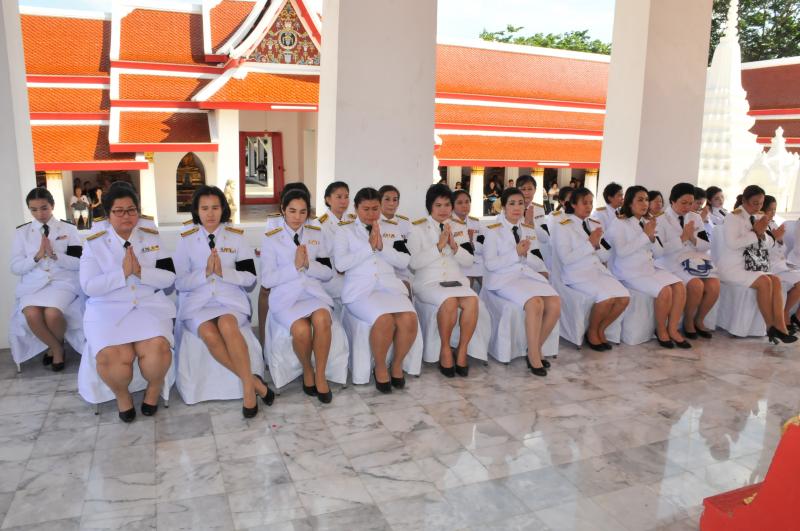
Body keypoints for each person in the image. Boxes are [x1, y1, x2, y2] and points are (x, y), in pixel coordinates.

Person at [174, 186, 273, 418]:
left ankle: (248, 392)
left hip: (230, 300)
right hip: (198, 304)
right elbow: (179, 282)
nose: (210, 213)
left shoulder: (236, 237)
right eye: (204, 208)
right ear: (196, 211)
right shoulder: (186, 240)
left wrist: (223, 273)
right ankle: (254, 384)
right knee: (209, 333)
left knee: (228, 325)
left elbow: (250, 278)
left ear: (223, 209)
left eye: (215, 207)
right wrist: (205, 273)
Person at [80, 185, 176, 422]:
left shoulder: (151, 236)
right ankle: (122, 396)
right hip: (108, 309)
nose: (126, 216)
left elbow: (169, 277)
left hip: (147, 305)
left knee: (157, 350)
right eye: (119, 211)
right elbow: (89, 286)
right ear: (108, 214)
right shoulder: (94, 243)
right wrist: (121, 274)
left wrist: (141, 272)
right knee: (111, 357)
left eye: (131, 210)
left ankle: (153, 389)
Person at [334, 187, 419, 392]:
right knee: (384, 319)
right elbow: (340, 265)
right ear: (356, 208)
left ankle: (396, 365)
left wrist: (382, 247)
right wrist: (368, 247)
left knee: (409, 318)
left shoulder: (391, 229)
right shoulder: (344, 231)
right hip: (360, 292)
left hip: (389, 287)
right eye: (366, 209)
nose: (371, 214)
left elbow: (404, 261)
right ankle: (380, 367)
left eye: (375, 208)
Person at [260, 189, 337, 402]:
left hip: (313, 293)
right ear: (283, 210)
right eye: (292, 211)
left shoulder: (316, 234)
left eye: (303, 212)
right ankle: (307, 370)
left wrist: (308, 265)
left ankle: (320, 375)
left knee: (323, 319)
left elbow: (328, 272)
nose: (297, 217)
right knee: (301, 330)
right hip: (285, 298)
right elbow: (267, 280)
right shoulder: (271, 239)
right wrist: (294, 267)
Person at [482, 188, 561, 376]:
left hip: (524, 275)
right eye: (512, 203)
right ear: (503, 206)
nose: (517, 208)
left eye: (520, 203)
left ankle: (535, 346)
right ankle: (534, 355)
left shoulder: (526, 228)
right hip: (503, 279)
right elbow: (491, 264)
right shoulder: (492, 230)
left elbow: (532, 257)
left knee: (555, 302)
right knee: (535, 302)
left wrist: (529, 259)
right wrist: (515, 253)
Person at [408, 184, 479, 377]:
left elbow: (469, 260)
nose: (443, 210)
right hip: (429, 282)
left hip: (456, 281)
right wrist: (438, 246)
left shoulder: (458, 227)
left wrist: (454, 246)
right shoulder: (417, 228)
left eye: (447, 205)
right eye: (438, 205)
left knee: (472, 300)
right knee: (449, 302)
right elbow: (414, 263)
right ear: (429, 206)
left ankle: (462, 350)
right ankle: (445, 350)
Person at [607, 186, 690, 348]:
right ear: (629, 202)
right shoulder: (619, 223)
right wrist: (645, 236)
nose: (645, 203)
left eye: (646, 200)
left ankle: (673, 329)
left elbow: (658, 253)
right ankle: (661, 331)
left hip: (648, 269)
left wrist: (652, 238)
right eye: (640, 200)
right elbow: (622, 252)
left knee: (679, 286)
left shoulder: (648, 222)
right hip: (630, 272)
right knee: (665, 291)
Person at [10, 187, 83, 371]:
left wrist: (55, 255)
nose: (39, 214)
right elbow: (15, 267)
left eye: (44, 208)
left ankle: (54, 349)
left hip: (62, 283)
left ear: (52, 206)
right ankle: (57, 348)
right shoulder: (22, 233)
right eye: (33, 209)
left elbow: (79, 263)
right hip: (33, 285)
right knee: (31, 313)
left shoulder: (69, 229)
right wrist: (37, 256)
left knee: (52, 313)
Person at [552, 187, 629, 350]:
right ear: (573, 204)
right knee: (606, 298)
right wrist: (590, 244)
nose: (589, 206)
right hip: (577, 274)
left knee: (624, 297)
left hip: (597, 271)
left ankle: (601, 329)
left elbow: (605, 255)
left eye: (591, 203)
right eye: (584, 203)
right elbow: (566, 259)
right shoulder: (563, 226)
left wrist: (597, 245)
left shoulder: (595, 224)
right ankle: (592, 332)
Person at [718, 185, 796, 344]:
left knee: (775, 280)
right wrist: (755, 233)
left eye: (761, 203)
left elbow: (768, 244)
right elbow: (733, 244)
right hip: (733, 267)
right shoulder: (733, 217)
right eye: (755, 203)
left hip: (753, 266)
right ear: (744, 200)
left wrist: (764, 235)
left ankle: (781, 326)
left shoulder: (760, 217)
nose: (758, 207)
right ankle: (770, 326)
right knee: (765, 281)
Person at [655, 183, 720, 339]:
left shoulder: (695, 217)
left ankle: (699, 319)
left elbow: (706, 245)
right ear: (672, 201)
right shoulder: (661, 219)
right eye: (683, 203)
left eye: (690, 203)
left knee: (714, 285)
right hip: (671, 262)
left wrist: (692, 237)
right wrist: (682, 238)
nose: (687, 207)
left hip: (694, 259)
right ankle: (688, 321)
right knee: (696, 285)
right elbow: (659, 251)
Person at [258, 182, 312, 343]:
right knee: (265, 290)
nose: (297, 216)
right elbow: (269, 245)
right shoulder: (274, 221)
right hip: (281, 270)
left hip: (304, 275)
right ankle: (263, 334)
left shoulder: (312, 224)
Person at [763, 195, 800, 333]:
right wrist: (775, 239)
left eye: (775, 209)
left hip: (781, 263)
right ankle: (785, 313)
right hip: (769, 265)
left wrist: (778, 240)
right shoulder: (758, 225)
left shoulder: (773, 224)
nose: (773, 213)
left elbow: (782, 249)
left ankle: (792, 315)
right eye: (770, 209)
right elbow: (761, 250)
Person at [318, 181, 351, 300]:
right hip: (332, 277)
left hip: (352, 271)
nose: (343, 201)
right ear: (328, 200)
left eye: (346, 197)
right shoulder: (319, 225)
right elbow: (321, 260)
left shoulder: (353, 222)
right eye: (339, 197)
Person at [379, 185, 413, 291]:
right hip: (380, 270)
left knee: (406, 288)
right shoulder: (374, 223)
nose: (391, 203)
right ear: (379, 201)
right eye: (387, 199)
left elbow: (410, 250)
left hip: (401, 272)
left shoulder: (405, 223)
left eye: (395, 200)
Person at [516, 174, 550, 243]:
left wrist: (532, 224)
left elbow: (544, 238)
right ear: (517, 190)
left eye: (530, 189)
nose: (526, 193)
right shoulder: (510, 209)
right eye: (523, 189)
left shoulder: (539, 209)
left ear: (535, 190)